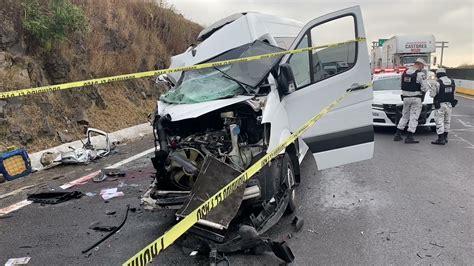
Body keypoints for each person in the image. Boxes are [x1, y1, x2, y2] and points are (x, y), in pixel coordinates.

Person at [393, 58, 429, 143]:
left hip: (405, 98)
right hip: (416, 98)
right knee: (414, 117)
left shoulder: (404, 73)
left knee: (404, 115)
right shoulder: (420, 74)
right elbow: (424, 88)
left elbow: (400, 85)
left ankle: (397, 134)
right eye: (422, 66)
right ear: (419, 64)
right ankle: (410, 137)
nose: (422, 68)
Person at [430, 68, 457, 145]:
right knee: (447, 121)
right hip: (450, 105)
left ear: (438, 74)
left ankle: (440, 139)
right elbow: (454, 93)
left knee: (439, 121)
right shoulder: (452, 82)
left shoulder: (437, 83)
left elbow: (432, 95)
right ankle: (445, 137)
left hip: (440, 105)